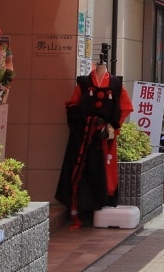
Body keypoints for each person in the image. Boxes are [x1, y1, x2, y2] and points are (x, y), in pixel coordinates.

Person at [55, 58, 132, 228]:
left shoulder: (116, 84)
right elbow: (72, 106)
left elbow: (125, 108)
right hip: (82, 137)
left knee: (105, 170)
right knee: (80, 170)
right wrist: (89, 122)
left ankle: (101, 205)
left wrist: (112, 127)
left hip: (105, 138)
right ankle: (81, 208)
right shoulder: (83, 83)